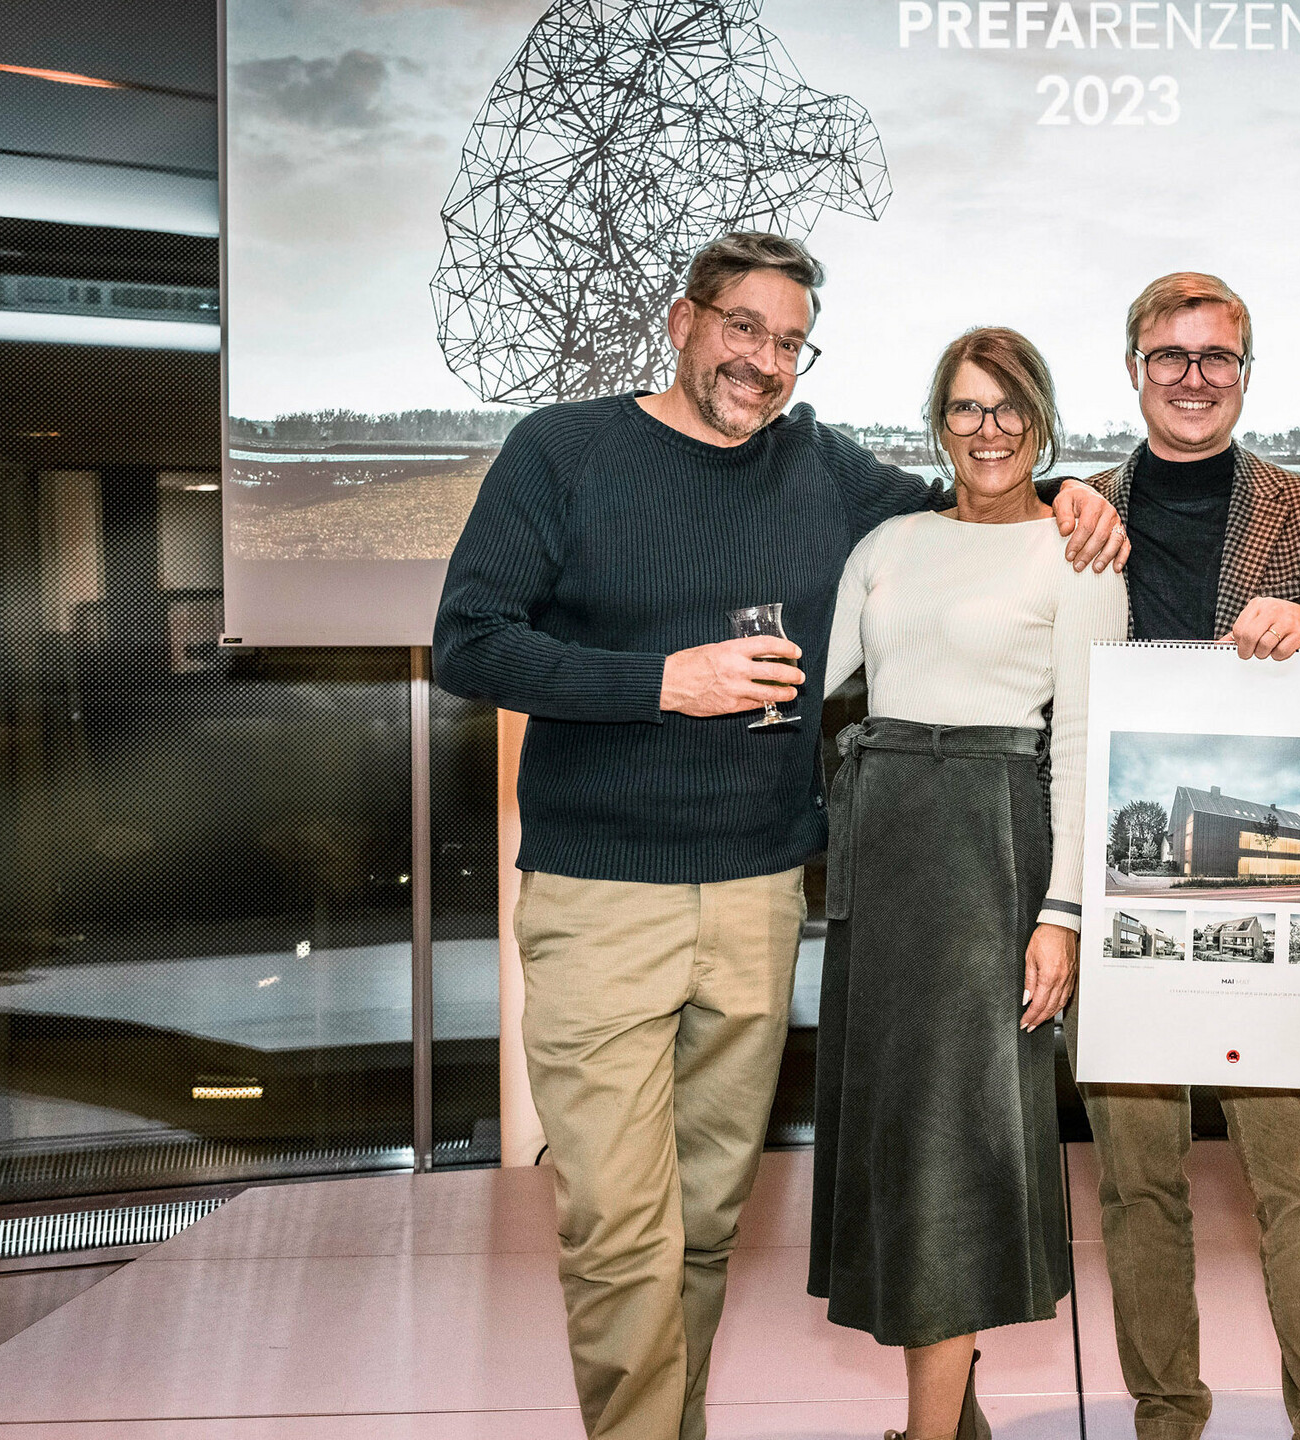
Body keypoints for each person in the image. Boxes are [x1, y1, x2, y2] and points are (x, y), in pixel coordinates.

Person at [432, 232, 1126, 1440]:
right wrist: (661, 681)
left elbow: (960, 515)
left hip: (759, 897)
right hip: (601, 894)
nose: (764, 362)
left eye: (790, 343)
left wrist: (1076, 498)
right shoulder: (562, 451)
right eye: (743, 329)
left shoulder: (817, 466)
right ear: (683, 321)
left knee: (704, 1223)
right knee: (616, 1226)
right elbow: (469, 644)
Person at [1076, 271, 1300, 1440]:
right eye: (1170, 355)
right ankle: (1166, 1419)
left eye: (1217, 357)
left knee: (1299, 1184)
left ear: (1247, 374)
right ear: (1133, 368)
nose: (1193, 377)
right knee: (1136, 1189)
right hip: (1120, 905)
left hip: (1279, 932)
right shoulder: (1077, 512)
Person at [807, 326, 1128, 1440]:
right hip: (882, 844)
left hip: (991, 853)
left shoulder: (1075, 551)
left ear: (1042, 417)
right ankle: (954, 1415)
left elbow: (1085, 742)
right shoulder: (889, 541)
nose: (986, 430)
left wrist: (1064, 913)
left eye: (1007, 407)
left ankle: (929, 1434)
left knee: (947, 1137)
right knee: (899, 1129)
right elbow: (806, 679)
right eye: (963, 408)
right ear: (935, 423)